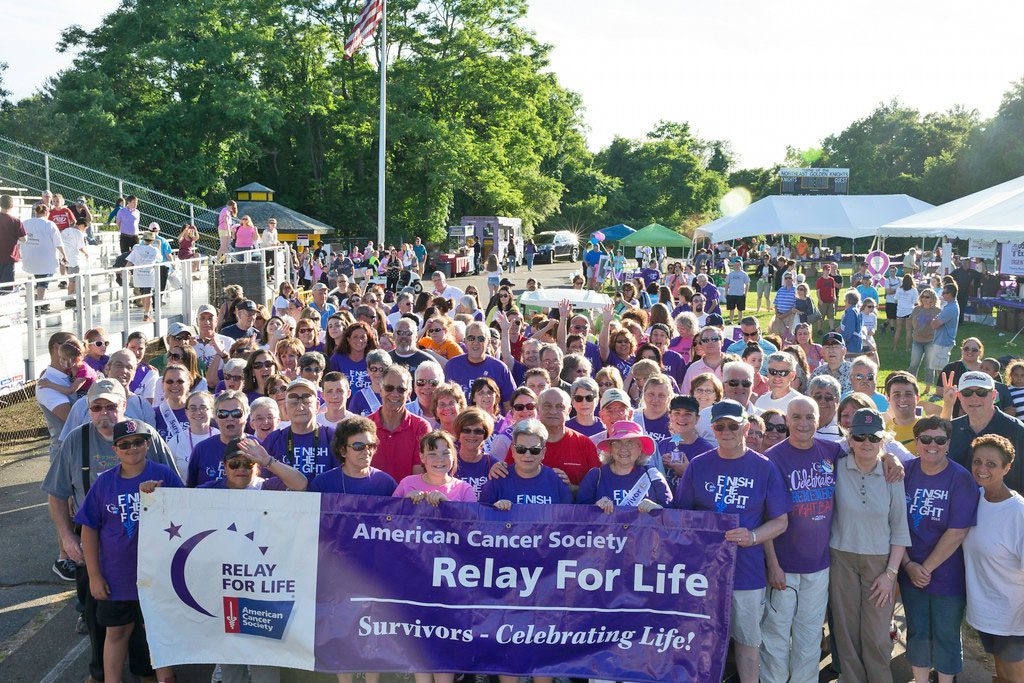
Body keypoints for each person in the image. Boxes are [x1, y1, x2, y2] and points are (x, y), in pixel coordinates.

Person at [41, 380, 177, 683]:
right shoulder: (76, 441)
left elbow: (178, 495)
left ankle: (147, 672)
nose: (104, 413)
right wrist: (67, 538)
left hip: (149, 546)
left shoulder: (147, 435)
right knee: (100, 619)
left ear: (124, 406)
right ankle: (102, 675)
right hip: (95, 541)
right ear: (88, 410)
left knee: (151, 622)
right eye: (97, 407)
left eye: (111, 406)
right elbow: (57, 493)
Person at [674, 399, 790, 683]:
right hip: (704, 574)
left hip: (747, 572)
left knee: (748, 643)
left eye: (733, 426)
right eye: (720, 426)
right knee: (702, 642)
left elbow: (781, 521)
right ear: (712, 429)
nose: (726, 432)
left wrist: (753, 536)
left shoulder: (764, 467)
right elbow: (681, 517)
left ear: (746, 428)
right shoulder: (698, 466)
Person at [75, 418, 181, 683]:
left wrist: (160, 497)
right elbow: (89, 528)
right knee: (117, 632)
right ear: (115, 450)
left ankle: (165, 679)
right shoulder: (104, 483)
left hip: (159, 574)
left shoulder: (164, 475)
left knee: (158, 633)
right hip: (118, 576)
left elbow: (186, 512)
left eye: (138, 442)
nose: (132, 448)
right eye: (124, 445)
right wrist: (94, 575)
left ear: (147, 444)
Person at [760, 396, 843, 683]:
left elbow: (870, 450)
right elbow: (765, 518)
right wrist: (773, 564)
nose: (803, 423)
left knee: (809, 636)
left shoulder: (831, 451)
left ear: (819, 420)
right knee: (776, 635)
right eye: (796, 417)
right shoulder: (772, 458)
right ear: (787, 420)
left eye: (809, 417)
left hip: (819, 565)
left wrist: (889, 458)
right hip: (783, 565)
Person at [830, 408, 910, 683]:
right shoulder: (836, 467)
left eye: (874, 437)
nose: (866, 442)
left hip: (880, 563)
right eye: (860, 436)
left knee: (876, 635)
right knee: (846, 632)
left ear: (883, 440)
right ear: (849, 439)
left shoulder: (892, 475)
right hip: (841, 557)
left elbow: (900, 528)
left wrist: (891, 574)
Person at [899, 416, 979, 683]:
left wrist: (924, 569)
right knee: (918, 632)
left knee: (947, 634)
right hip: (910, 572)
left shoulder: (960, 478)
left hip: (947, 575)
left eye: (940, 440)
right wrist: (909, 566)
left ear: (948, 444)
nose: (932, 445)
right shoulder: (904, 472)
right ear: (916, 442)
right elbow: (893, 522)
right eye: (926, 439)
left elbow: (957, 531)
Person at [962, 434, 1024, 683]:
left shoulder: (1018, 513)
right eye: (977, 461)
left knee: (1014, 676)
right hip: (986, 612)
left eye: (991, 464)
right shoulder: (974, 498)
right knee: (1001, 675)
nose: (982, 469)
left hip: (1013, 616)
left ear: (1007, 467)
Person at [947, 371, 1024, 493]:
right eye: (967, 393)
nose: (974, 398)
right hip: (959, 502)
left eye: (981, 392)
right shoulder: (951, 429)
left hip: (1002, 503)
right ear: (959, 396)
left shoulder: (1016, 430)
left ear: (993, 395)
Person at [479, 418, 572, 509]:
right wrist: (496, 510)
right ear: (513, 451)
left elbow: (568, 516)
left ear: (543, 452)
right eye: (521, 449)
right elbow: (481, 516)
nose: (527, 455)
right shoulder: (497, 480)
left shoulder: (557, 482)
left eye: (534, 450)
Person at [579, 420, 672, 510]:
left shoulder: (652, 475)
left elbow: (672, 513)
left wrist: (657, 508)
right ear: (610, 449)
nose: (623, 449)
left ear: (640, 448)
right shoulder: (595, 476)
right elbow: (578, 513)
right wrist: (595, 507)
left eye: (630, 443)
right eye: (617, 443)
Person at [261, 378, 336, 481]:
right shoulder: (273, 439)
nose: (300, 407)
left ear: (317, 406)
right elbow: (262, 481)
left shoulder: (332, 437)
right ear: (286, 408)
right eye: (294, 402)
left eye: (306, 401)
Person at [370, 364, 431, 482]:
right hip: (371, 493)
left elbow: (417, 479)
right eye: (389, 388)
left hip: (407, 493)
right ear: (381, 390)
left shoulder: (421, 427)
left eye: (401, 389)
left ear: (409, 394)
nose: (394, 394)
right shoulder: (365, 427)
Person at [443, 321, 516, 409]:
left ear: (488, 342)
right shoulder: (452, 366)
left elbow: (510, 405)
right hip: (462, 417)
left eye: (481, 339)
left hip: (492, 417)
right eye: (471, 338)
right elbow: (444, 399)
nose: (475, 342)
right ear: (465, 341)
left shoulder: (500, 368)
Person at [394, 430, 476, 505]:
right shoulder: (406, 484)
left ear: (453, 456)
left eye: (445, 453)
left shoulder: (464, 489)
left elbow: (473, 516)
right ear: (422, 457)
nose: (440, 459)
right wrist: (405, 501)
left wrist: (447, 504)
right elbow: (390, 513)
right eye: (432, 454)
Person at [21, 202, 68, 309]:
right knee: (43, 282)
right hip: (46, 260)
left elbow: (19, 240)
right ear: (47, 213)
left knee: (40, 280)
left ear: (36, 212)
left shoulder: (25, 223)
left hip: (30, 258)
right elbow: (58, 243)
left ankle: (42, 301)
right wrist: (64, 256)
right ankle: (40, 304)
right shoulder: (50, 224)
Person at [452, 408, 496, 497]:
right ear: (458, 433)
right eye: (466, 430)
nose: (472, 435)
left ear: (485, 435)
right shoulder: (449, 463)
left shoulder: (493, 465)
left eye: (478, 431)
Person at [908, 288, 942, 395]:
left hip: (930, 341)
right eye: (923, 296)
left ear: (933, 298)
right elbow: (911, 320)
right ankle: (910, 385)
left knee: (929, 365)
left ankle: (927, 388)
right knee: (913, 364)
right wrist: (913, 332)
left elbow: (941, 325)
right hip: (917, 340)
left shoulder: (938, 311)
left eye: (927, 297)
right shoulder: (917, 309)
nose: (925, 299)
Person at [928, 283, 960, 386]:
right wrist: (935, 319)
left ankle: (942, 390)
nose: (942, 294)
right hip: (943, 341)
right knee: (939, 369)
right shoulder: (950, 306)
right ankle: (942, 389)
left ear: (950, 294)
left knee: (942, 371)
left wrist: (934, 319)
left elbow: (934, 325)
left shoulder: (950, 308)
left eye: (944, 292)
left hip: (943, 342)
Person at [126, 231, 162, 322]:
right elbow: (160, 259)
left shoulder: (137, 249)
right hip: (149, 274)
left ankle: (146, 313)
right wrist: (159, 246)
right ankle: (146, 314)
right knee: (148, 294)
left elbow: (130, 261)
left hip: (139, 274)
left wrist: (126, 269)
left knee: (143, 294)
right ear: (152, 240)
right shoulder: (155, 250)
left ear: (144, 239)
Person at [0, 194, 26, 291]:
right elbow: (24, 239)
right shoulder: (15, 221)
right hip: (9, 256)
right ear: (11, 205)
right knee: (6, 288)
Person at [724, 258, 750, 325]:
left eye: (738, 265)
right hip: (731, 294)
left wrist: (746, 293)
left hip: (740, 294)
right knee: (731, 309)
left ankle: (740, 322)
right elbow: (727, 283)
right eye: (735, 265)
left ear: (740, 265)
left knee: (740, 309)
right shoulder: (730, 274)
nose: (736, 266)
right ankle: (731, 321)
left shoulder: (744, 274)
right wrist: (726, 292)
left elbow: (747, 284)